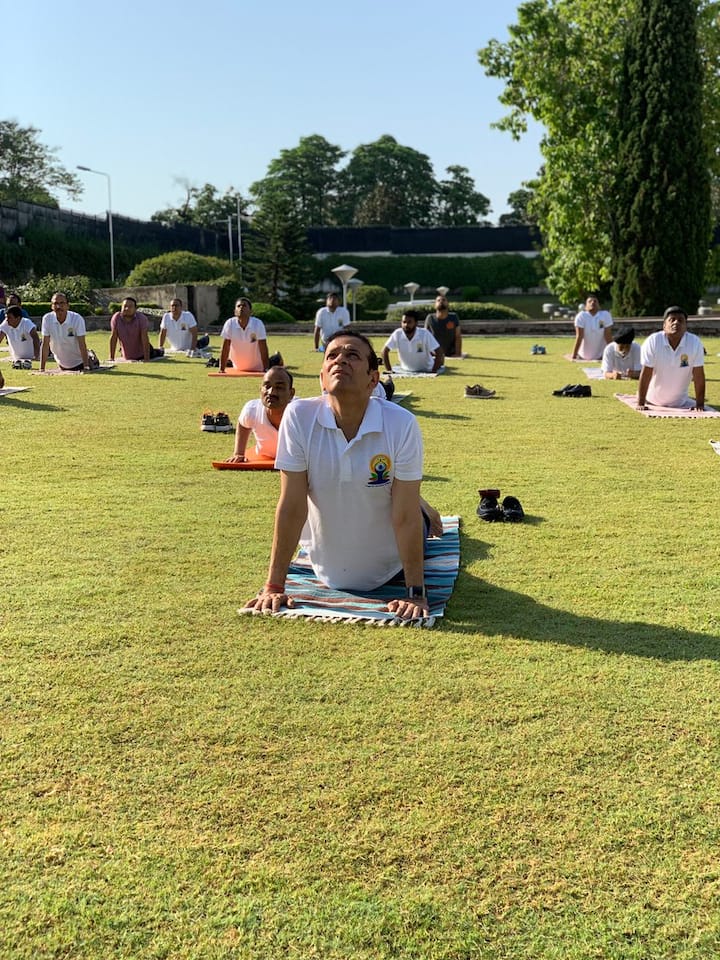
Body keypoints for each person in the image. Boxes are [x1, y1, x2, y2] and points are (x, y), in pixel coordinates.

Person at [246, 330, 432, 620]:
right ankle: (418, 500)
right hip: (327, 571)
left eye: (352, 355)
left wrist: (415, 594)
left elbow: (405, 516)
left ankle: (422, 506)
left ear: (373, 379)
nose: (340, 360)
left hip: (390, 567)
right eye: (331, 355)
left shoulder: (401, 423)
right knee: (400, 497)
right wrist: (273, 586)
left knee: (414, 513)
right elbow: (292, 505)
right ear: (322, 378)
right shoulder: (298, 416)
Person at [636, 306, 705, 410]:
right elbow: (646, 373)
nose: (676, 323)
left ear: (686, 326)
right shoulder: (653, 341)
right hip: (652, 400)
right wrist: (641, 403)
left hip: (680, 402)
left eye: (680, 320)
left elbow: (699, 376)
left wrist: (699, 405)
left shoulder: (695, 343)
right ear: (664, 325)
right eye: (672, 320)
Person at [225, 366, 296, 463]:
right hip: (264, 456)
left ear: (291, 393)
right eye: (267, 386)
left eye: (279, 387)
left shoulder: (300, 412)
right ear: (260, 390)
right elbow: (243, 423)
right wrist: (239, 453)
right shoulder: (252, 410)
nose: (271, 392)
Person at [40, 293, 91, 372]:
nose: (58, 306)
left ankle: (91, 357)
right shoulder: (47, 319)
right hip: (61, 364)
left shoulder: (77, 319)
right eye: (55, 303)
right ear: (52, 306)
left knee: (91, 358)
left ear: (67, 306)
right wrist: (42, 368)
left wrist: (86, 367)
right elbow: (45, 344)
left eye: (62, 303)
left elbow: (82, 344)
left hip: (79, 362)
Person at [220, 297, 269, 373]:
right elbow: (225, 347)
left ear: (250, 312)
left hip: (258, 366)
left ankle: (277, 358)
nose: (241, 307)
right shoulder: (230, 323)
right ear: (235, 312)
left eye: (244, 305)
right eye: (238, 306)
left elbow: (263, 348)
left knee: (274, 361)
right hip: (238, 367)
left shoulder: (258, 324)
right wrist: (221, 369)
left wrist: (266, 369)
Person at [109, 297, 164, 362]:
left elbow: (144, 338)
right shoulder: (116, 318)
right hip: (127, 354)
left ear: (135, 309)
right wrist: (111, 357)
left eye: (130, 306)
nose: (127, 308)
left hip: (142, 353)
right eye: (125, 306)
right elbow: (114, 337)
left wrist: (146, 358)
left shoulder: (141, 318)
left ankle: (160, 351)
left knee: (156, 353)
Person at [571, 294, 613, 360]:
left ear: (599, 305)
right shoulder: (581, 316)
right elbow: (579, 336)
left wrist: (613, 353)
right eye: (590, 301)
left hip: (602, 355)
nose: (593, 302)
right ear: (585, 306)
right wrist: (574, 355)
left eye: (595, 301)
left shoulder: (605, 315)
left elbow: (608, 335)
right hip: (582, 355)